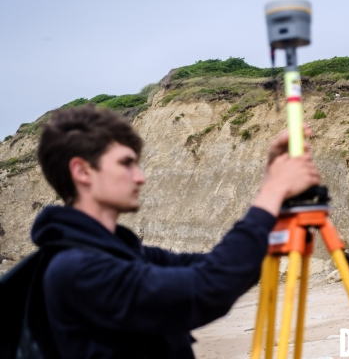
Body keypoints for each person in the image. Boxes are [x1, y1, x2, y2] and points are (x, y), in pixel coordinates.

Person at [32, 104, 321, 358]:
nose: (140, 177)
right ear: (82, 171)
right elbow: (208, 288)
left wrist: (272, 183)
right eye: (126, 163)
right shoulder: (78, 270)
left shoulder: (123, 254)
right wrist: (272, 192)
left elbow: (222, 269)